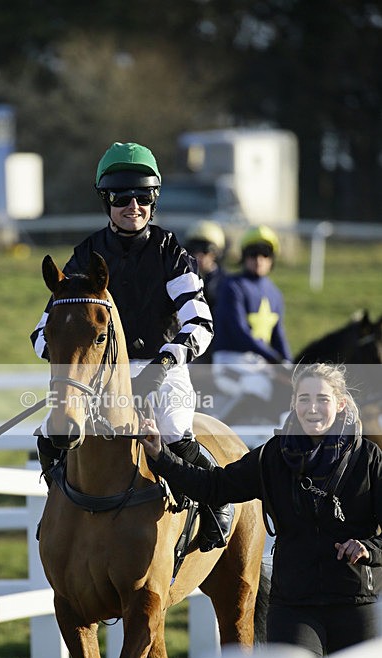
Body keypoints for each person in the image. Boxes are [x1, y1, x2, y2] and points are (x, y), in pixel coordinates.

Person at [141, 361, 382, 658]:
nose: (313, 408)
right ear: (294, 403)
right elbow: (213, 487)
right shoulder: (274, 456)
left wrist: (370, 548)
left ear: (341, 404)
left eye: (322, 400)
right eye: (304, 399)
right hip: (296, 603)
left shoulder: (369, 460)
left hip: (354, 599)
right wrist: (162, 457)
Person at [30, 140, 232, 550]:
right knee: (50, 433)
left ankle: (216, 508)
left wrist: (164, 361)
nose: (133, 205)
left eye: (143, 196)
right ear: (107, 200)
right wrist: (69, 366)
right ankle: (59, 513)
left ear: (153, 201)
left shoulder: (171, 252)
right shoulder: (85, 255)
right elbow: (42, 330)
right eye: (122, 197)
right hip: (98, 376)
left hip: (162, 367)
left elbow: (200, 322)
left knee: (176, 431)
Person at [211, 224, 292, 422]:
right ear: (243, 256)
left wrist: (290, 365)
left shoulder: (275, 293)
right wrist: (275, 360)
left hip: (259, 363)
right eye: (252, 253)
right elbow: (240, 332)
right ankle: (222, 430)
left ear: (272, 259)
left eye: (265, 254)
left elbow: (278, 335)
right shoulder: (232, 286)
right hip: (229, 361)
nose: (258, 259)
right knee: (258, 385)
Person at [184, 219, 227, 311]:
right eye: (194, 249)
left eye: (205, 250)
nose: (198, 255)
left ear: (216, 253)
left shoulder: (225, 283)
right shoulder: (183, 280)